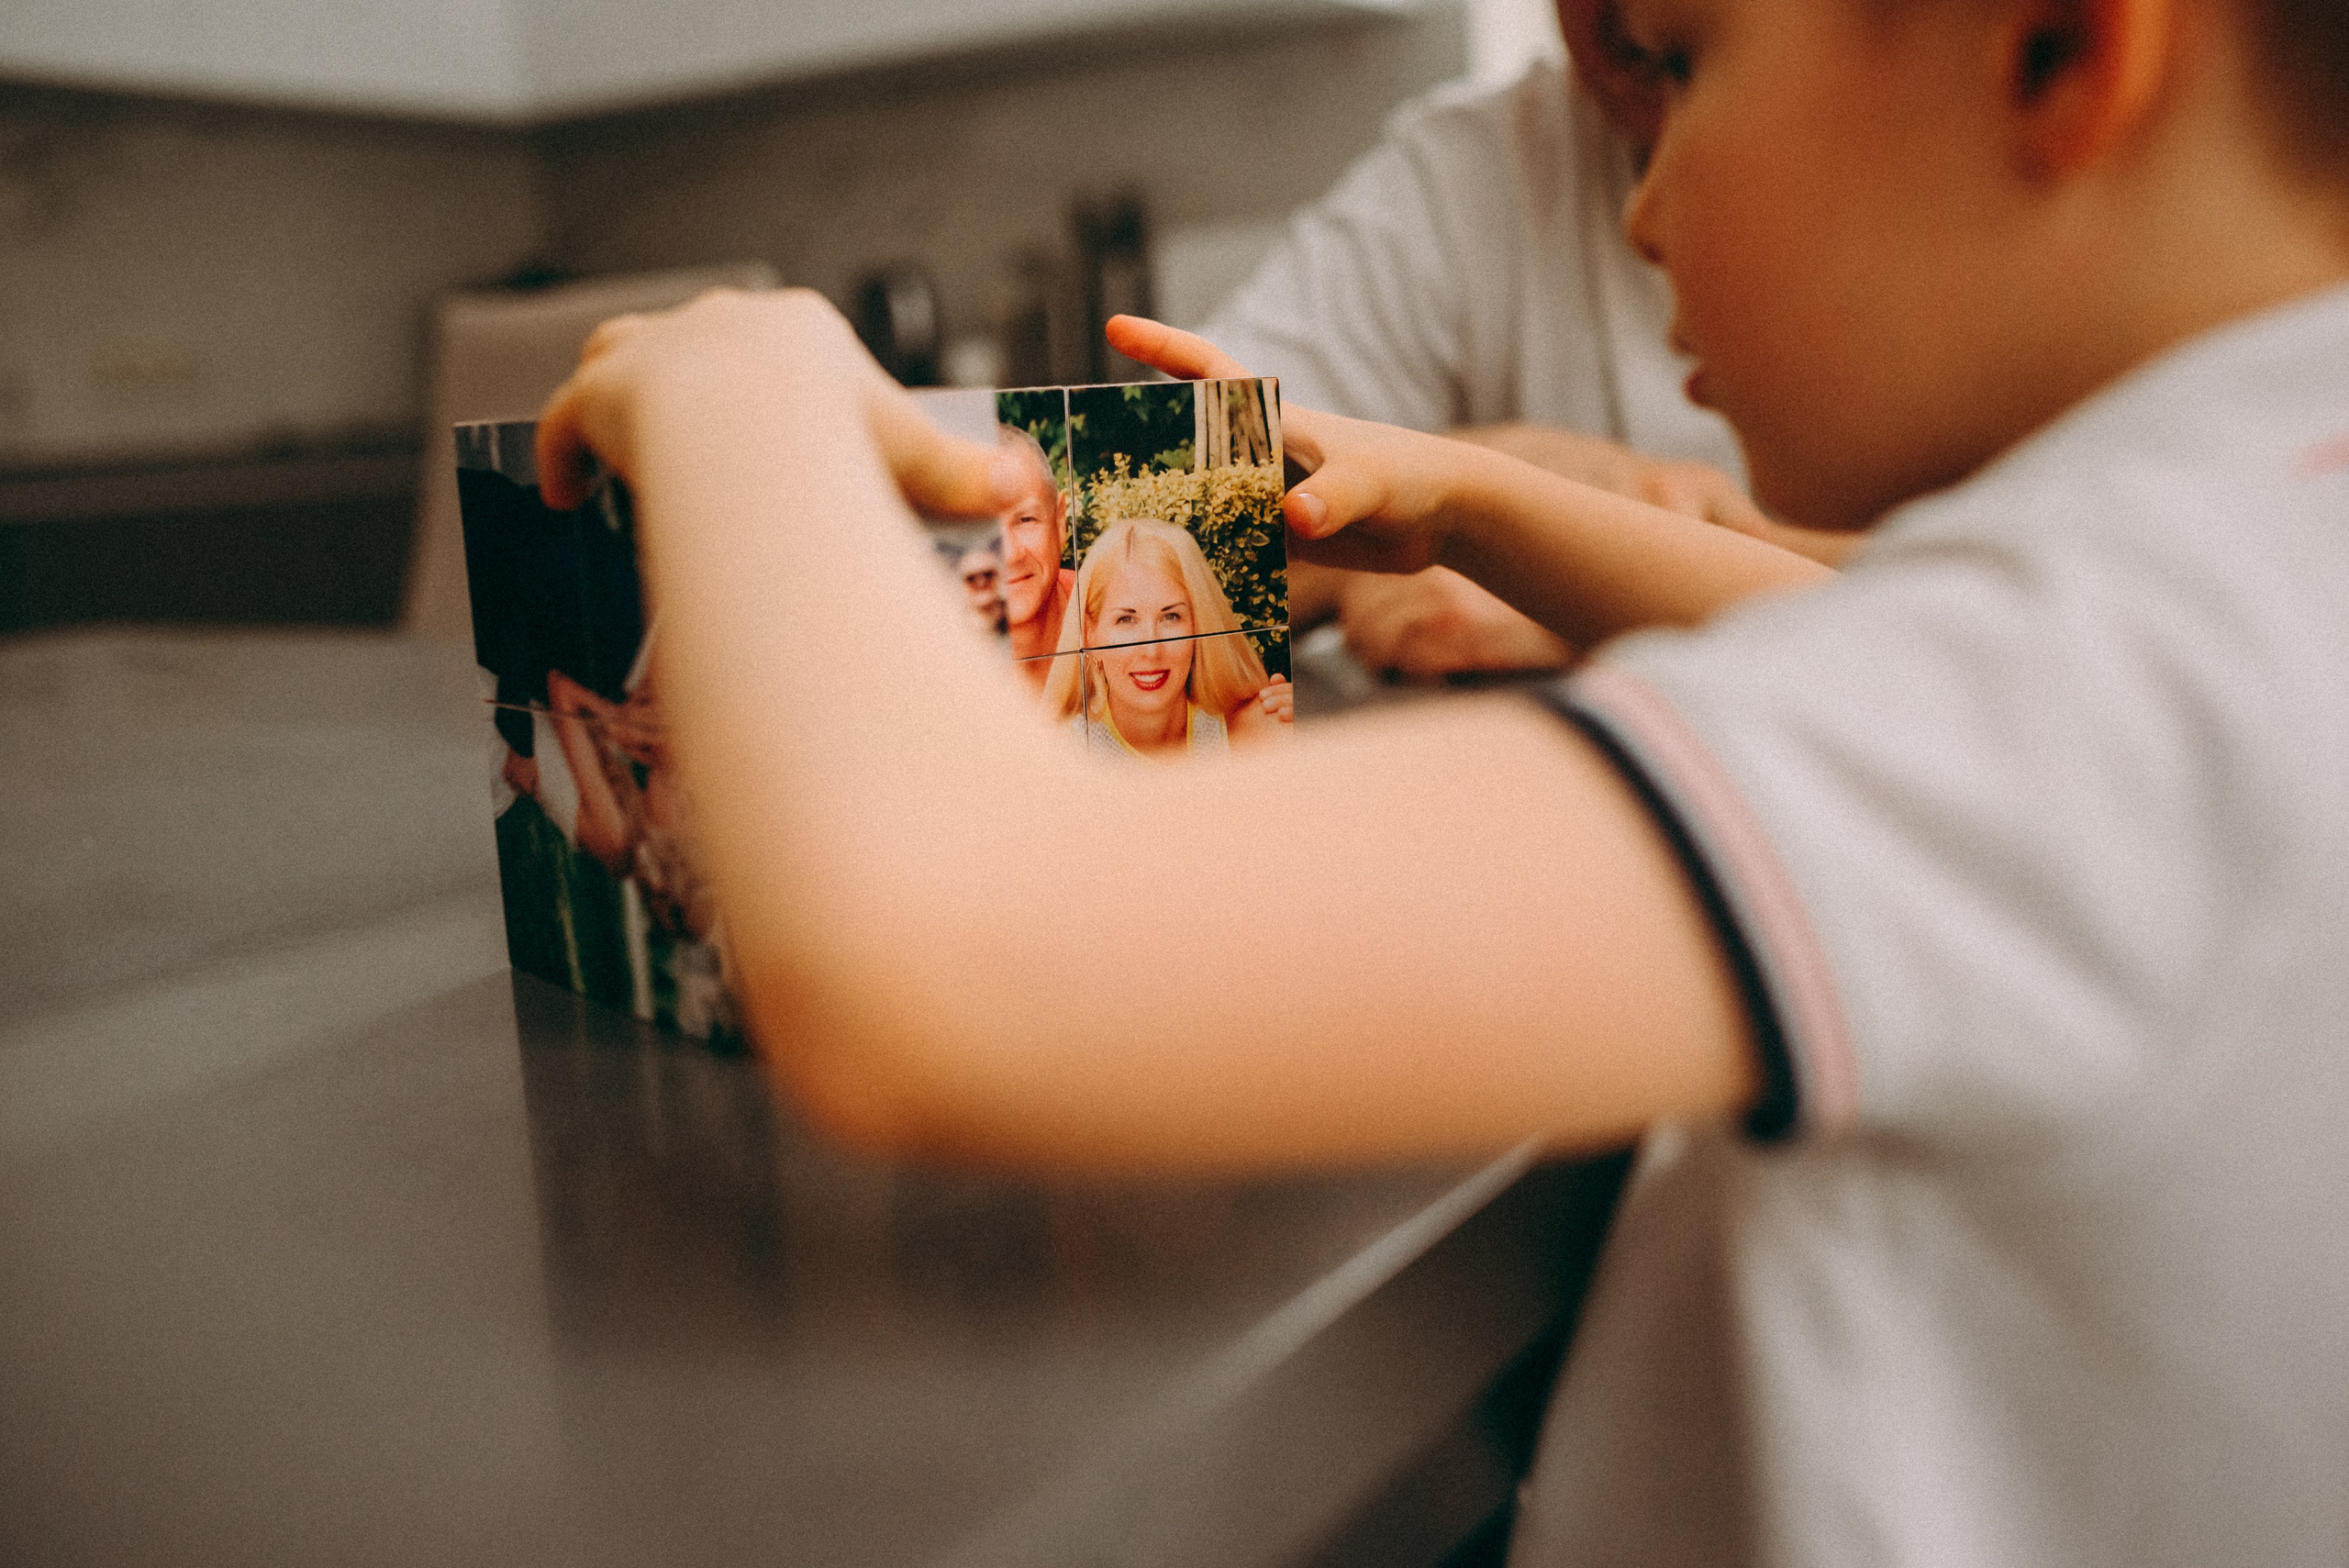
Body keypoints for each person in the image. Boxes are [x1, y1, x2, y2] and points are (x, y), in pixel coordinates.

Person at [536, 0, 2349, 1557]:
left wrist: (745, 391)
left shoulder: (2093, 679)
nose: (1637, 204)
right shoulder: (2247, 559)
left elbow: (938, 954)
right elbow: (1854, 624)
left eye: (1689, 61)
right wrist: (1477, 502)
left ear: (2056, 51)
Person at [1203, 0, 1852, 680]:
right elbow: (1118, 546)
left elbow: (1962, 613)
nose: (1645, 222)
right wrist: (1469, 497)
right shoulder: (1472, 176)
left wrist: (1580, 568)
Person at [1042, 517, 1294, 757]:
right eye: (1126, 620)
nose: (1152, 652)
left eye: (1171, 617)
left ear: (1198, 626)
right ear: (1090, 636)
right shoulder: (1059, 754)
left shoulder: (1251, 731)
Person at [993, 426, 1074, 685]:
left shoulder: (1113, 615)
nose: (1011, 554)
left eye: (1026, 519)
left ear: (1059, 521)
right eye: (983, 529)